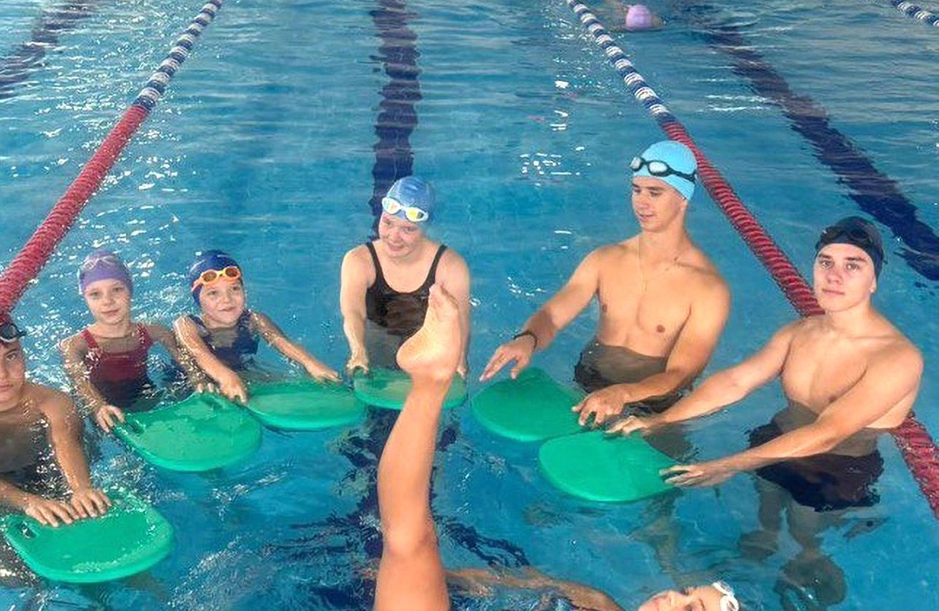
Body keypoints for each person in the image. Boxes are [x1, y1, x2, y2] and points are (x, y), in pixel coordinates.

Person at [0, 285, 757, 611]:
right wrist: (449, 580)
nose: (675, 595)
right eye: (691, 591)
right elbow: (506, 581)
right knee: (409, 539)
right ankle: (429, 382)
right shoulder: (597, 600)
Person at [612, 217, 923, 510]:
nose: (834, 276)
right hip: (773, 441)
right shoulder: (798, 333)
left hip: (836, 468)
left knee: (803, 542)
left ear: (873, 281)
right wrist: (661, 420)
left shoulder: (897, 358)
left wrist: (729, 465)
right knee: (763, 528)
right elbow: (735, 382)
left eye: (852, 265)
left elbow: (829, 432)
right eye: (825, 262)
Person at [481, 141, 730, 427]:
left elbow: (682, 374)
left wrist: (624, 393)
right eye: (636, 190)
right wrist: (527, 339)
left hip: (652, 405)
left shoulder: (708, 289)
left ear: (683, 198)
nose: (642, 202)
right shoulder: (605, 259)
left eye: (655, 192)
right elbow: (552, 315)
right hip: (588, 382)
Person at [0, 302, 110, 528]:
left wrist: (81, 488)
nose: (1, 373)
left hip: (50, 483)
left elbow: (66, 443)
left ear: (23, 354)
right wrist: (27, 502)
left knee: (96, 513)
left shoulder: (55, 402)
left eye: (11, 356)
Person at [340, 176, 471, 375]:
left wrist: (459, 360)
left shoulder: (450, 266)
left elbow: (460, 321)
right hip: (378, 341)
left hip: (428, 346)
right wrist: (358, 350)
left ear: (425, 228)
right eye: (387, 222)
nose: (393, 237)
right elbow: (353, 312)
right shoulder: (359, 260)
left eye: (408, 229)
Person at [175, 250, 339, 403]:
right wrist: (225, 377)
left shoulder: (254, 319)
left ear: (244, 291)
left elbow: (281, 341)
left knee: (291, 385)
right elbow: (198, 353)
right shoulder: (186, 324)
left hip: (240, 371)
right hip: (190, 377)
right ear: (198, 300)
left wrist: (311, 363)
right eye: (213, 293)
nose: (227, 299)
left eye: (234, 288)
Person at [59, 251, 196, 433]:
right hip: (102, 409)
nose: (107, 301)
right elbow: (79, 383)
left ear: (130, 291)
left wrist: (199, 380)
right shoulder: (75, 345)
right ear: (85, 299)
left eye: (117, 289)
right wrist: (99, 406)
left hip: (146, 396)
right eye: (95, 294)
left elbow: (187, 363)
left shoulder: (156, 332)